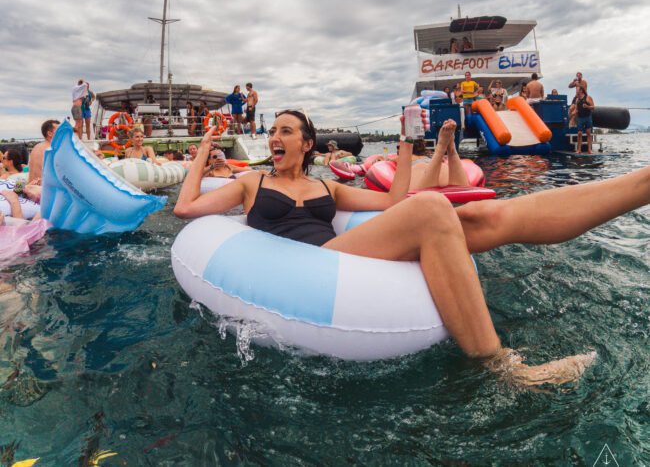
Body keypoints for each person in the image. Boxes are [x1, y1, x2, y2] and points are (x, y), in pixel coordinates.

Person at [174, 109, 650, 387]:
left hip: (345, 252)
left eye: (285, 131)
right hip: (314, 266)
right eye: (273, 131)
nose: (275, 137)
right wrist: (202, 153)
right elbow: (186, 208)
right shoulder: (252, 183)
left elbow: (392, 200)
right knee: (433, 212)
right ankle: (506, 370)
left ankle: (641, 184)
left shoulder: (329, 189)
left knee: (481, 217)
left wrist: (405, 142)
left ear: (307, 143)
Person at [410, 122, 469, 191]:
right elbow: (443, 160)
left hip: (423, 171)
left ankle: (441, 148)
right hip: (437, 165)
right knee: (461, 194)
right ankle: (451, 150)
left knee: (420, 169)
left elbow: (399, 162)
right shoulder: (430, 154)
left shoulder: (408, 157)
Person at [574, 86, 595, 153]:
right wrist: (574, 113)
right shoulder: (577, 99)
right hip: (580, 118)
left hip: (587, 117)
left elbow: (593, 107)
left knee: (588, 133)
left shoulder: (588, 97)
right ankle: (579, 149)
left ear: (581, 91)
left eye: (577, 90)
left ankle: (589, 149)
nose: (576, 91)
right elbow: (576, 109)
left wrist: (587, 106)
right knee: (579, 133)